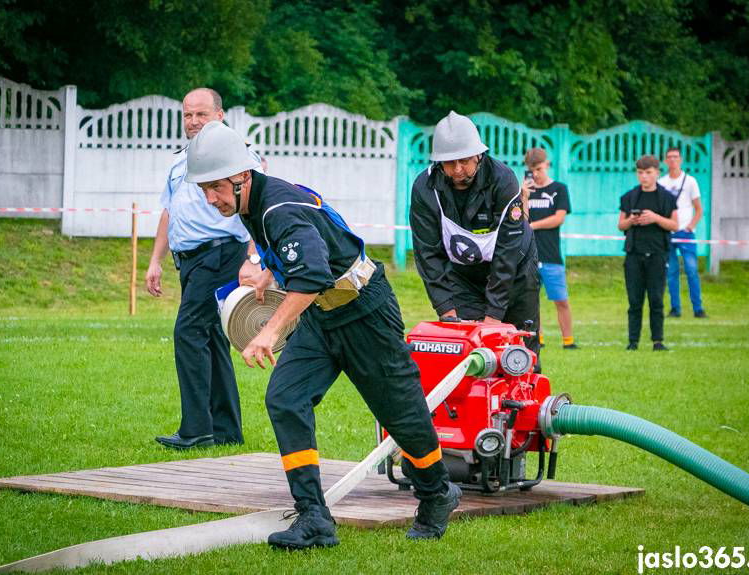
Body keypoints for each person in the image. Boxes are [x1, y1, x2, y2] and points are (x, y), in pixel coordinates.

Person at [185, 121, 461, 549]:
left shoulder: (277, 208)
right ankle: (313, 517)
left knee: (401, 414)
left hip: (365, 313)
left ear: (242, 176)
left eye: (215, 187)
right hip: (320, 316)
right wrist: (269, 271)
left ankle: (437, 492)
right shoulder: (254, 202)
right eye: (204, 189)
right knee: (285, 398)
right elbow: (310, 248)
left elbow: (312, 275)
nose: (210, 198)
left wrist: (270, 331)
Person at [145, 88, 260, 450]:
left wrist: (252, 259)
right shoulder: (183, 158)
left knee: (189, 332)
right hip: (191, 261)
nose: (193, 121)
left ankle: (196, 429)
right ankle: (226, 430)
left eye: (201, 114)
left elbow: (254, 204)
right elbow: (170, 210)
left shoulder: (237, 153)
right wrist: (155, 260)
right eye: (188, 115)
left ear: (220, 116)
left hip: (219, 254)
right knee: (210, 338)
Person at [410, 111, 540, 361]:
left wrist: (493, 315)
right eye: (449, 163)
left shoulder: (503, 180)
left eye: (464, 161)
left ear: (478, 155)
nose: (458, 169)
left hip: (516, 270)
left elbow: (507, 251)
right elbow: (428, 254)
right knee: (466, 350)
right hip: (463, 276)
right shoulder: (424, 189)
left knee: (519, 350)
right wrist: (446, 309)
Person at [618, 155, 678, 351]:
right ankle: (633, 341)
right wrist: (631, 221)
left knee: (656, 299)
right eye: (640, 173)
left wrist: (655, 218)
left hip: (658, 254)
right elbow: (621, 224)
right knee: (634, 301)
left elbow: (675, 225)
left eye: (648, 172)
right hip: (634, 254)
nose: (644, 176)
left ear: (657, 173)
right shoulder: (629, 196)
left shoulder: (667, 197)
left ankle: (657, 341)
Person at [522, 147, 577, 350]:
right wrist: (523, 196)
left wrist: (533, 226)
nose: (536, 174)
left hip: (551, 255)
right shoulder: (526, 191)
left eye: (539, 169)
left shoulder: (559, 189)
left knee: (561, 300)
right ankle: (538, 338)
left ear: (547, 164)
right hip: (529, 256)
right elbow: (522, 220)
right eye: (532, 170)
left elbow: (558, 218)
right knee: (531, 301)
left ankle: (568, 341)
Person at [658, 147, 706, 318]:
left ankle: (698, 309)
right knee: (671, 272)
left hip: (685, 233)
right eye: (669, 157)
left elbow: (698, 209)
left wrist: (690, 226)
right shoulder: (661, 183)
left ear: (681, 160)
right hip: (668, 233)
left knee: (691, 270)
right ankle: (675, 308)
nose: (673, 160)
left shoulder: (690, 181)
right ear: (665, 161)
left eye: (676, 157)